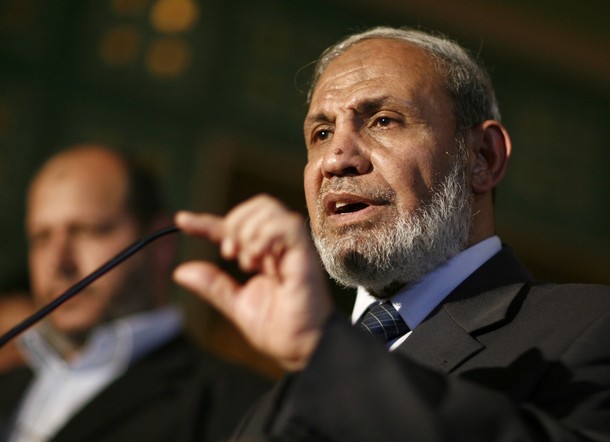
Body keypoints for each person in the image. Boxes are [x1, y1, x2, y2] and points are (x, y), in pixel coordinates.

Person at [172, 26, 610, 441]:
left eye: (382, 120)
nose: (336, 158)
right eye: (321, 133)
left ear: (483, 158)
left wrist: (326, 354)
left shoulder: (591, 325)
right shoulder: (274, 405)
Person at [0, 144, 270, 442]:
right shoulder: (9, 381)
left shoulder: (238, 406)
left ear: (160, 246)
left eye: (88, 230)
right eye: (41, 237)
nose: (59, 262)